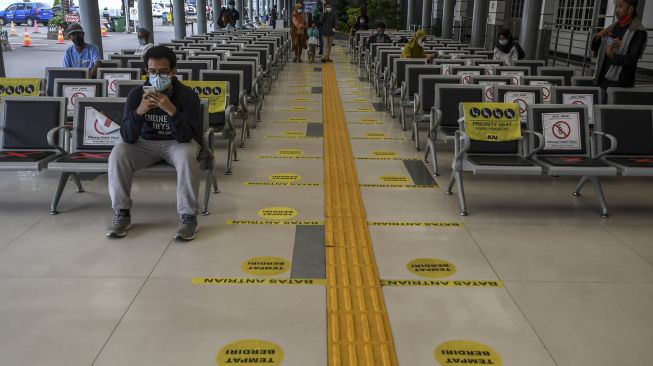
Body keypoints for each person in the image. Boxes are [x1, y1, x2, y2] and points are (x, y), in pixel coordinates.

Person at [107, 46, 203, 241]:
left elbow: (187, 137)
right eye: (152, 72)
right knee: (119, 152)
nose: (157, 76)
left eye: (163, 72)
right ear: (146, 71)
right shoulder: (136, 95)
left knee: (186, 155)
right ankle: (122, 213)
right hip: (145, 144)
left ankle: (188, 216)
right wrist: (139, 112)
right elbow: (127, 136)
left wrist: (172, 111)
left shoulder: (188, 96)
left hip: (176, 143)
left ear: (173, 72)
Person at [592, 0, 647, 101]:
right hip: (603, 80)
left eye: (620, 7)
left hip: (620, 84)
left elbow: (632, 59)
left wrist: (611, 54)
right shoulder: (613, 27)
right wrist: (598, 37)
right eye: (616, 6)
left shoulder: (639, 31)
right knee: (599, 112)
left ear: (631, 9)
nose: (616, 10)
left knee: (611, 115)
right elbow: (594, 48)